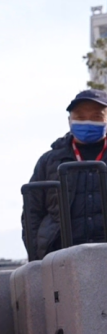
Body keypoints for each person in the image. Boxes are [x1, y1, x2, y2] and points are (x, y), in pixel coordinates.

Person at [23, 89, 107, 261]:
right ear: (69, 120)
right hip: (60, 257)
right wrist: (38, 255)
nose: (88, 122)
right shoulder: (49, 161)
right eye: (81, 117)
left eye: (97, 117)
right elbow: (32, 212)